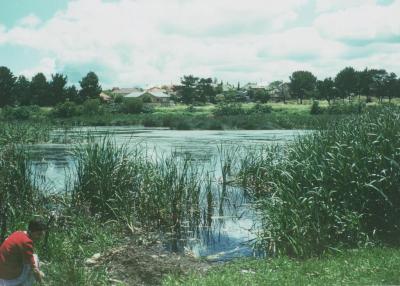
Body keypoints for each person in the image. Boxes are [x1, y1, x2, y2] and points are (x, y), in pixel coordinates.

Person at [0, 219, 47, 286]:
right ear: (31, 231)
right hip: (8, 278)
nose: (40, 237)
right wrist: (42, 283)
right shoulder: (27, 242)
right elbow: (34, 270)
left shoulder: (18, 233)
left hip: (2, 271)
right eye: (39, 234)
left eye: (41, 235)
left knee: (32, 259)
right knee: (35, 260)